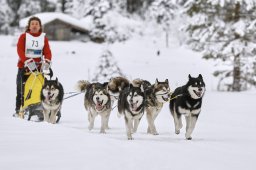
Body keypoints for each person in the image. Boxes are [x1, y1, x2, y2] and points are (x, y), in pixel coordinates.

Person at [14, 16, 52, 117]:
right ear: (29, 26)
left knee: (38, 89)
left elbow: (47, 52)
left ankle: (38, 109)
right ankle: (19, 110)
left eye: (36, 24)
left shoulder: (43, 38)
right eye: (32, 24)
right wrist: (26, 61)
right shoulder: (24, 36)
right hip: (24, 67)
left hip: (38, 69)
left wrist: (47, 61)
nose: (34, 26)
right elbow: (19, 50)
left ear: (40, 26)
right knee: (21, 89)